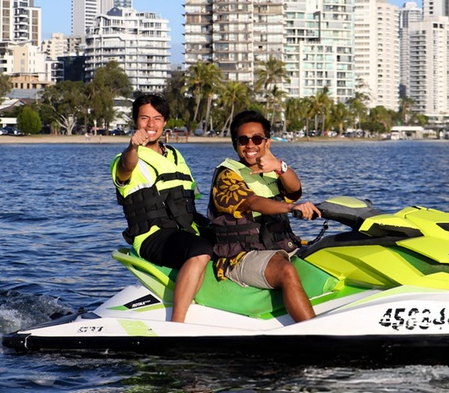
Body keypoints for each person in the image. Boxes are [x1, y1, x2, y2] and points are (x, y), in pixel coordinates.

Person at [208, 110, 321, 322]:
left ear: (266, 142)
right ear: (235, 144)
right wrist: (290, 208)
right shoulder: (227, 174)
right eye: (243, 140)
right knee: (285, 270)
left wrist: (279, 166)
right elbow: (252, 202)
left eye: (257, 139)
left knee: (330, 253)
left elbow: (295, 189)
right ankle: (312, 333)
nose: (250, 145)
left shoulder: (271, 171)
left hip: (279, 246)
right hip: (240, 256)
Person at [111, 93, 213, 323]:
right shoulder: (126, 158)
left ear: (165, 122)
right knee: (200, 250)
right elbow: (127, 167)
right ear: (135, 121)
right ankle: (177, 323)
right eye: (144, 118)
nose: (151, 124)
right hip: (151, 236)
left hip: (184, 231)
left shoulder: (176, 155)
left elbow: (190, 202)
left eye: (157, 118)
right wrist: (132, 146)